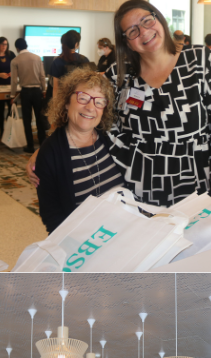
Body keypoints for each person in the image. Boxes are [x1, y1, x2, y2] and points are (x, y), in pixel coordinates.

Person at [54, 1, 211, 207]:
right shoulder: (119, 74)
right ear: (126, 41)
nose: (143, 32)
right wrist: (50, 150)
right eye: (132, 30)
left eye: (147, 21)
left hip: (197, 187)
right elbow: (91, 119)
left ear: (158, 18)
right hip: (138, 190)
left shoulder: (199, 61)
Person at [33, 67, 125, 234]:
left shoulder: (111, 139)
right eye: (83, 98)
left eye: (99, 102)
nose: (91, 107)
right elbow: (52, 217)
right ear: (67, 102)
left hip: (126, 231)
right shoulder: (50, 153)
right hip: (85, 244)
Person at [10, 36, 49, 153]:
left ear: (17, 48)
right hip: (37, 92)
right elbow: (42, 76)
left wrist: (12, 96)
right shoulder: (37, 58)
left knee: (27, 120)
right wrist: (44, 91)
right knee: (39, 118)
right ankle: (43, 144)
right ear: (26, 45)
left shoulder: (15, 60)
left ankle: (30, 146)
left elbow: (14, 80)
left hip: (25, 92)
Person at [48, 29, 89, 102]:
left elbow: (55, 88)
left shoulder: (57, 61)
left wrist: (55, 105)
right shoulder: (84, 59)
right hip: (80, 99)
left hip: (63, 100)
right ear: (76, 44)